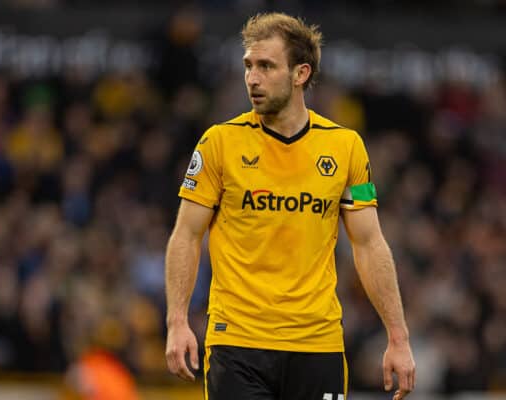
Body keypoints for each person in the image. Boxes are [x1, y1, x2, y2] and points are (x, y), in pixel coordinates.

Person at [164, 12, 415, 400]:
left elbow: (369, 243)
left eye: (266, 66)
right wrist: (177, 321)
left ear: (300, 74)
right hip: (238, 342)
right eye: (249, 66)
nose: (252, 78)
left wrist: (398, 337)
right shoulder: (219, 143)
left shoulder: (345, 148)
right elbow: (187, 233)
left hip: (317, 344)